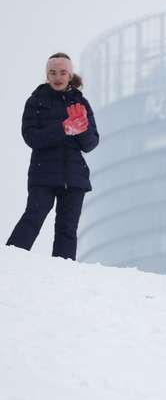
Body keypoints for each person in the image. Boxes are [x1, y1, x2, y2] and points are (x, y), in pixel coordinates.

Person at [6, 52, 100, 260]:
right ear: (47, 75)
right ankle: (10, 261)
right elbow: (31, 138)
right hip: (44, 175)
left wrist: (81, 129)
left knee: (67, 229)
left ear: (70, 75)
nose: (57, 77)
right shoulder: (36, 101)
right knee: (33, 217)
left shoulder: (81, 103)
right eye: (53, 72)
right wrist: (64, 128)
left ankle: (63, 273)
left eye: (62, 72)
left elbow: (91, 144)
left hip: (74, 177)